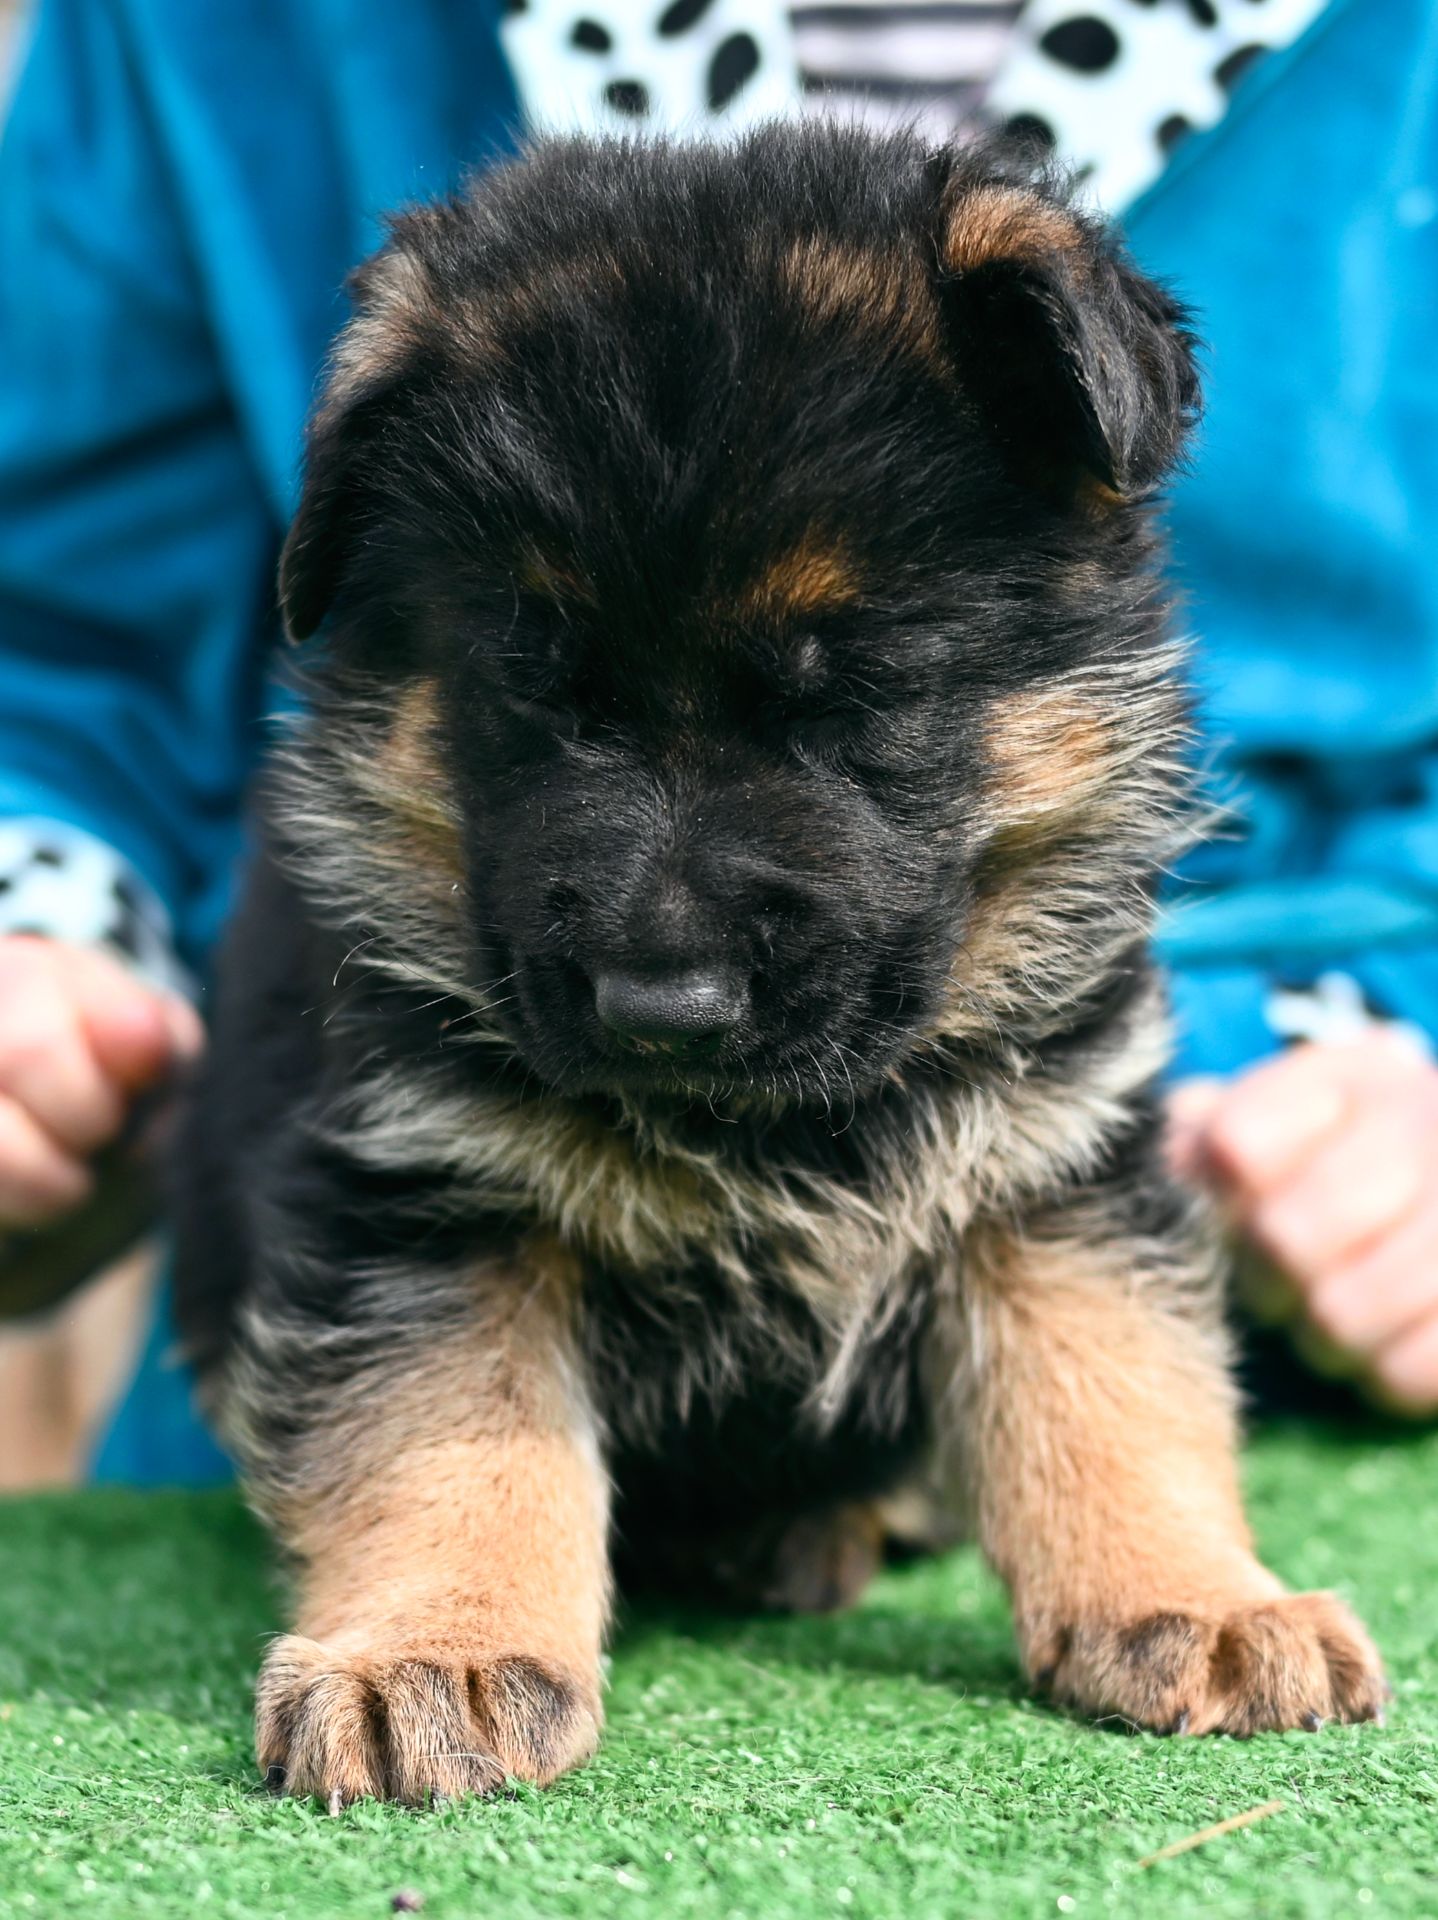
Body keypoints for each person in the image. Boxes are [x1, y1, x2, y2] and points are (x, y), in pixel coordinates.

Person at [1, 0, 1436, 1486]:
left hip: (1292, 1340)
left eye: (850, 699)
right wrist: (40, 929)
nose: (665, 957)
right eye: (538, 696)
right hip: (372, 1353)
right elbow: (48, 647)